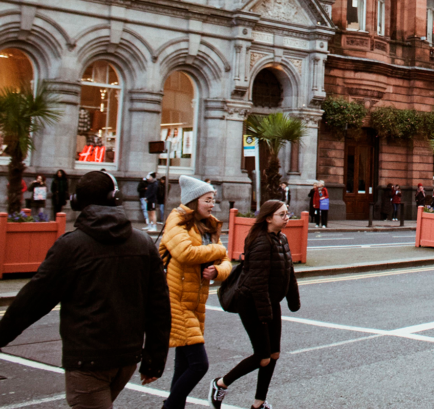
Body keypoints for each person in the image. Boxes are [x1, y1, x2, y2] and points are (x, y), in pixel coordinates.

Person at [0, 171, 171, 407]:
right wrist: (154, 359)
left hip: (88, 361)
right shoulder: (143, 243)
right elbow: (159, 305)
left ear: (76, 202)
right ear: (116, 199)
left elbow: (32, 300)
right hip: (127, 359)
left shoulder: (71, 246)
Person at [209, 200, 300, 409]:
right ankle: (220, 384)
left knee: (274, 354)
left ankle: (259, 403)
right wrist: (266, 315)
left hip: (269, 302)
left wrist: (293, 300)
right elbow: (257, 284)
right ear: (268, 218)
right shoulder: (261, 242)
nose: (287, 217)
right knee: (263, 356)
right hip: (251, 303)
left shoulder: (281, 239)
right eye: (282, 214)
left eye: (288, 213)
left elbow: (289, 272)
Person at [160, 176, 232, 409]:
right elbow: (186, 253)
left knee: (183, 364)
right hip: (176, 299)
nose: (212, 205)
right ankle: (169, 406)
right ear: (193, 200)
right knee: (199, 365)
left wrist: (217, 272)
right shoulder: (177, 221)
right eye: (207, 200)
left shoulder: (209, 225)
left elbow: (226, 262)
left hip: (196, 301)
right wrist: (217, 248)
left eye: (213, 200)